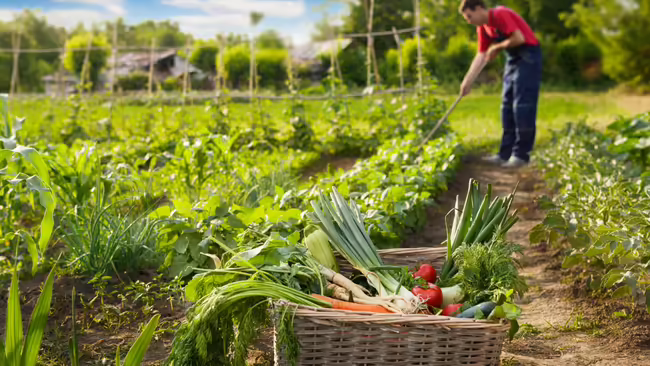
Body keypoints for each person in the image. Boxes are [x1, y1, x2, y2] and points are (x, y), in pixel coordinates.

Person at [458, 0, 542, 168]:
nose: (468, 20)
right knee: (507, 105)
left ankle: (521, 155)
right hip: (513, 60)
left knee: (522, 105)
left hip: (528, 56)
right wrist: (467, 81)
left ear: (480, 8)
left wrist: (497, 47)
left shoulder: (500, 14)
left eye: (469, 16)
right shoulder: (483, 28)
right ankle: (505, 154)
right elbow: (481, 55)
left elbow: (519, 38)